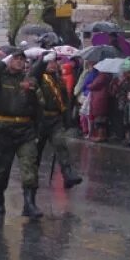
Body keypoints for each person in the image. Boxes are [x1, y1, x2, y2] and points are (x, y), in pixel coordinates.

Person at [0, 48, 44, 218]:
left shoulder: (29, 79)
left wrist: (32, 91)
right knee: (1, 170)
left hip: (26, 130)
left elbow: (39, 105)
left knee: (30, 167)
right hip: (3, 130)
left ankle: (29, 204)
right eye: (16, 58)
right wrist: (2, 62)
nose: (20, 61)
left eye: (22, 59)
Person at [30, 49, 83, 188]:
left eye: (55, 61)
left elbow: (65, 100)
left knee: (60, 145)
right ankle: (31, 178)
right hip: (40, 120)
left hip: (55, 119)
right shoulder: (38, 76)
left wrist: (67, 119)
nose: (53, 64)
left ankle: (68, 174)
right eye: (50, 62)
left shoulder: (58, 78)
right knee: (36, 151)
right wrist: (42, 62)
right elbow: (33, 74)